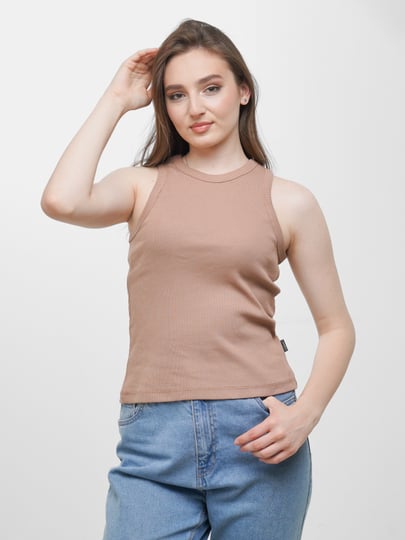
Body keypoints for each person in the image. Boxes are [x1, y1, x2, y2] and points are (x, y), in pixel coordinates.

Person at [41, 18, 355, 540]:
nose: (195, 108)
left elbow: (337, 326)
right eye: (177, 95)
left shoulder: (289, 201)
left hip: (260, 431)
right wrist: (116, 99)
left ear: (243, 90)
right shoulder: (142, 186)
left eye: (211, 88)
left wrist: (307, 414)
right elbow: (62, 201)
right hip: (154, 439)